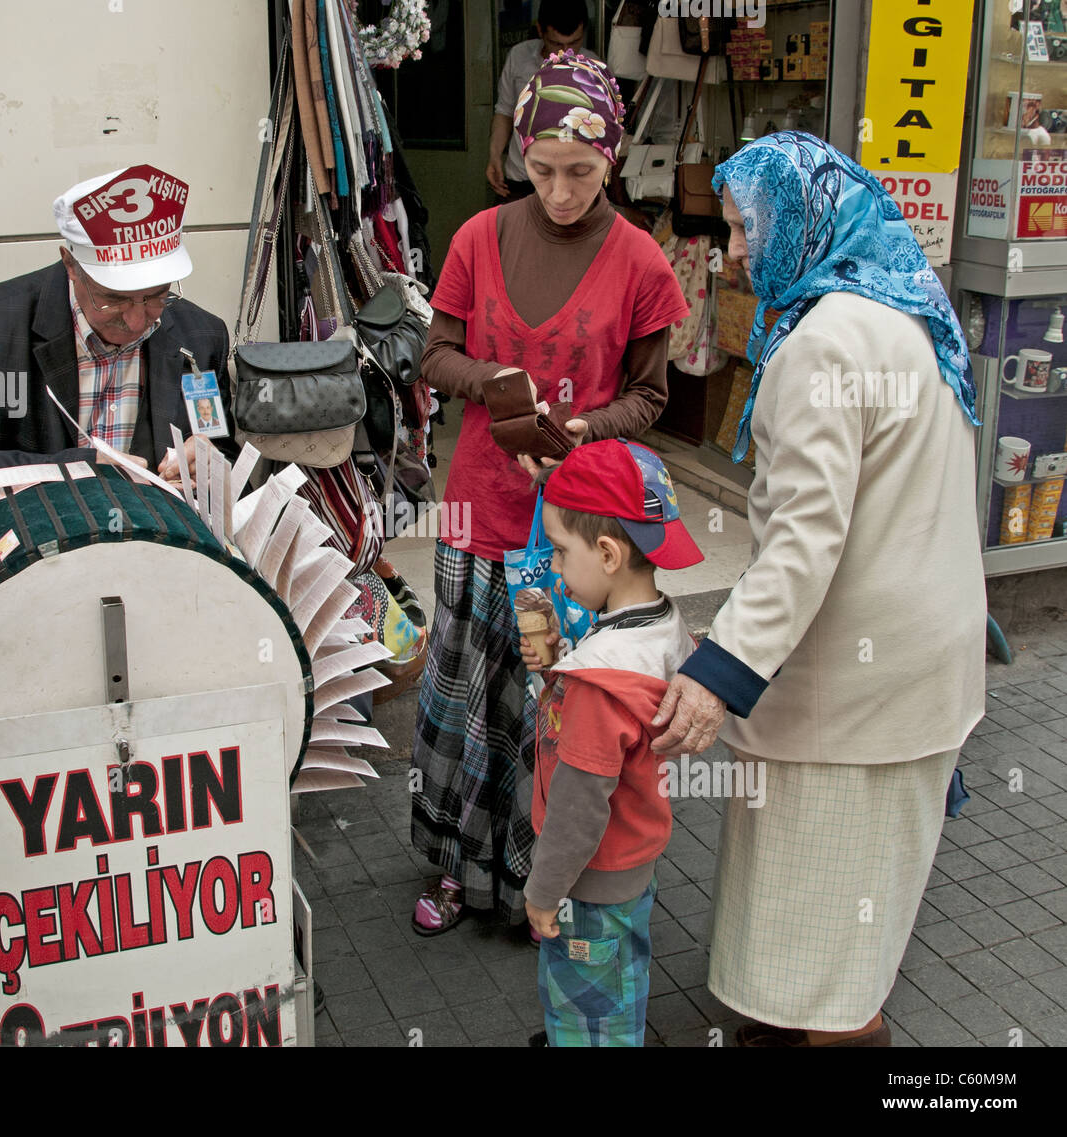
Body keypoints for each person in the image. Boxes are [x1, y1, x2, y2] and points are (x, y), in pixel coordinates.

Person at [648, 133, 987, 1046]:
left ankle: (832, 1032)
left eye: (750, 226)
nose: (739, 253)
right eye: (729, 229)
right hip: (922, 661)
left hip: (860, 686)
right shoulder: (905, 305)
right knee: (845, 905)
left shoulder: (820, 345)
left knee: (829, 932)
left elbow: (803, 541)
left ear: (805, 216)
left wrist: (719, 673)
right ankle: (793, 1018)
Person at [410, 51, 689, 935]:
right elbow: (433, 353)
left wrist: (586, 431)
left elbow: (651, 395)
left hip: (573, 537)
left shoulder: (642, 262)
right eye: (542, 171)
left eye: (581, 171)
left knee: (555, 709)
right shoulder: (478, 239)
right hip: (478, 509)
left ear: (611, 156)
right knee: (466, 695)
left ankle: (541, 882)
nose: (561, 192)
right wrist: (495, 379)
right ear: (519, 156)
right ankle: (455, 869)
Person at [519, 440, 701, 1047]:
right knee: (620, 981)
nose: (559, 568)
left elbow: (578, 806)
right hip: (633, 862)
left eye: (564, 552)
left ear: (606, 552)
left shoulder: (598, 681)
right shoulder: (664, 625)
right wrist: (558, 669)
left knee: (586, 1006)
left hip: (586, 880)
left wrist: (543, 892)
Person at [0, 164, 233, 513]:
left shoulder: (201, 336)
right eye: (113, 299)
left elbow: (222, 447)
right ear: (70, 264)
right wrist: (78, 469)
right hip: (34, 548)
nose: (135, 320)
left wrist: (208, 464)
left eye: (156, 296)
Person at [488, 0, 601, 201]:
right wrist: (495, 155)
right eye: (556, 44)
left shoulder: (594, 68)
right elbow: (504, 111)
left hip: (570, 188)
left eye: (574, 43)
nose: (565, 52)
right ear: (540, 30)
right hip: (520, 181)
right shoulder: (518, 56)